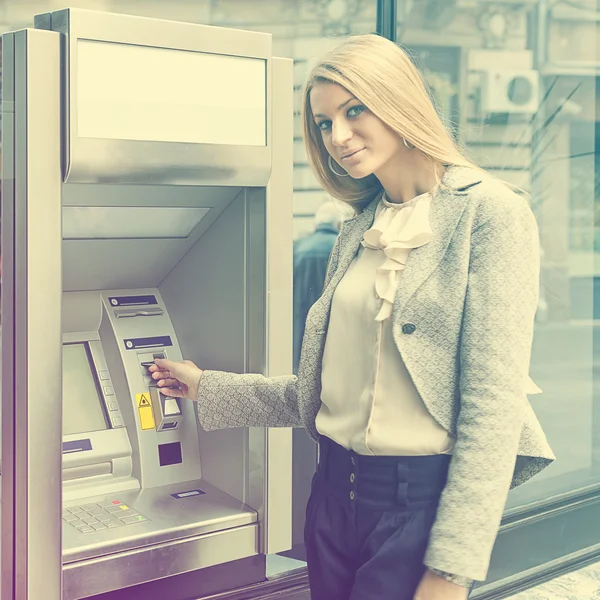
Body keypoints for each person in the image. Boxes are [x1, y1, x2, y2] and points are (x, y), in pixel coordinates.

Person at [150, 34, 555, 600]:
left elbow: (491, 408)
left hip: (417, 510)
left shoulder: (490, 214)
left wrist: (451, 568)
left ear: (399, 101)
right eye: (323, 123)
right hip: (333, 499)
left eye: (354, 110)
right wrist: (207, 387)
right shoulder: (359, 227)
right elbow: (322, 397)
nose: (338, 136)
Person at [293, 201, 342, 373]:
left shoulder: (298, 246)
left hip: (297, 318)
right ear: (339, 224)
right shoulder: (340, 247)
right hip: (327, 322)